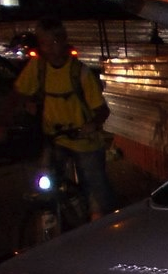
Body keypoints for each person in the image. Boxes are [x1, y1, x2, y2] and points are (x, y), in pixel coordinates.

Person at [13, 18, 116, 221]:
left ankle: (101, 228)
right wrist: (5, 120)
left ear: (63, 41)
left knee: (96, 194)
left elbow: (102, 110)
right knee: (44, 182)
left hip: (84, 141)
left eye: (53, 42)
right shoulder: (38, 67)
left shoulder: (81, 72)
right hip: (55, 138)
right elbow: (18, 93)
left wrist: (92, 125)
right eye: (43, 43)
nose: (49, 49)